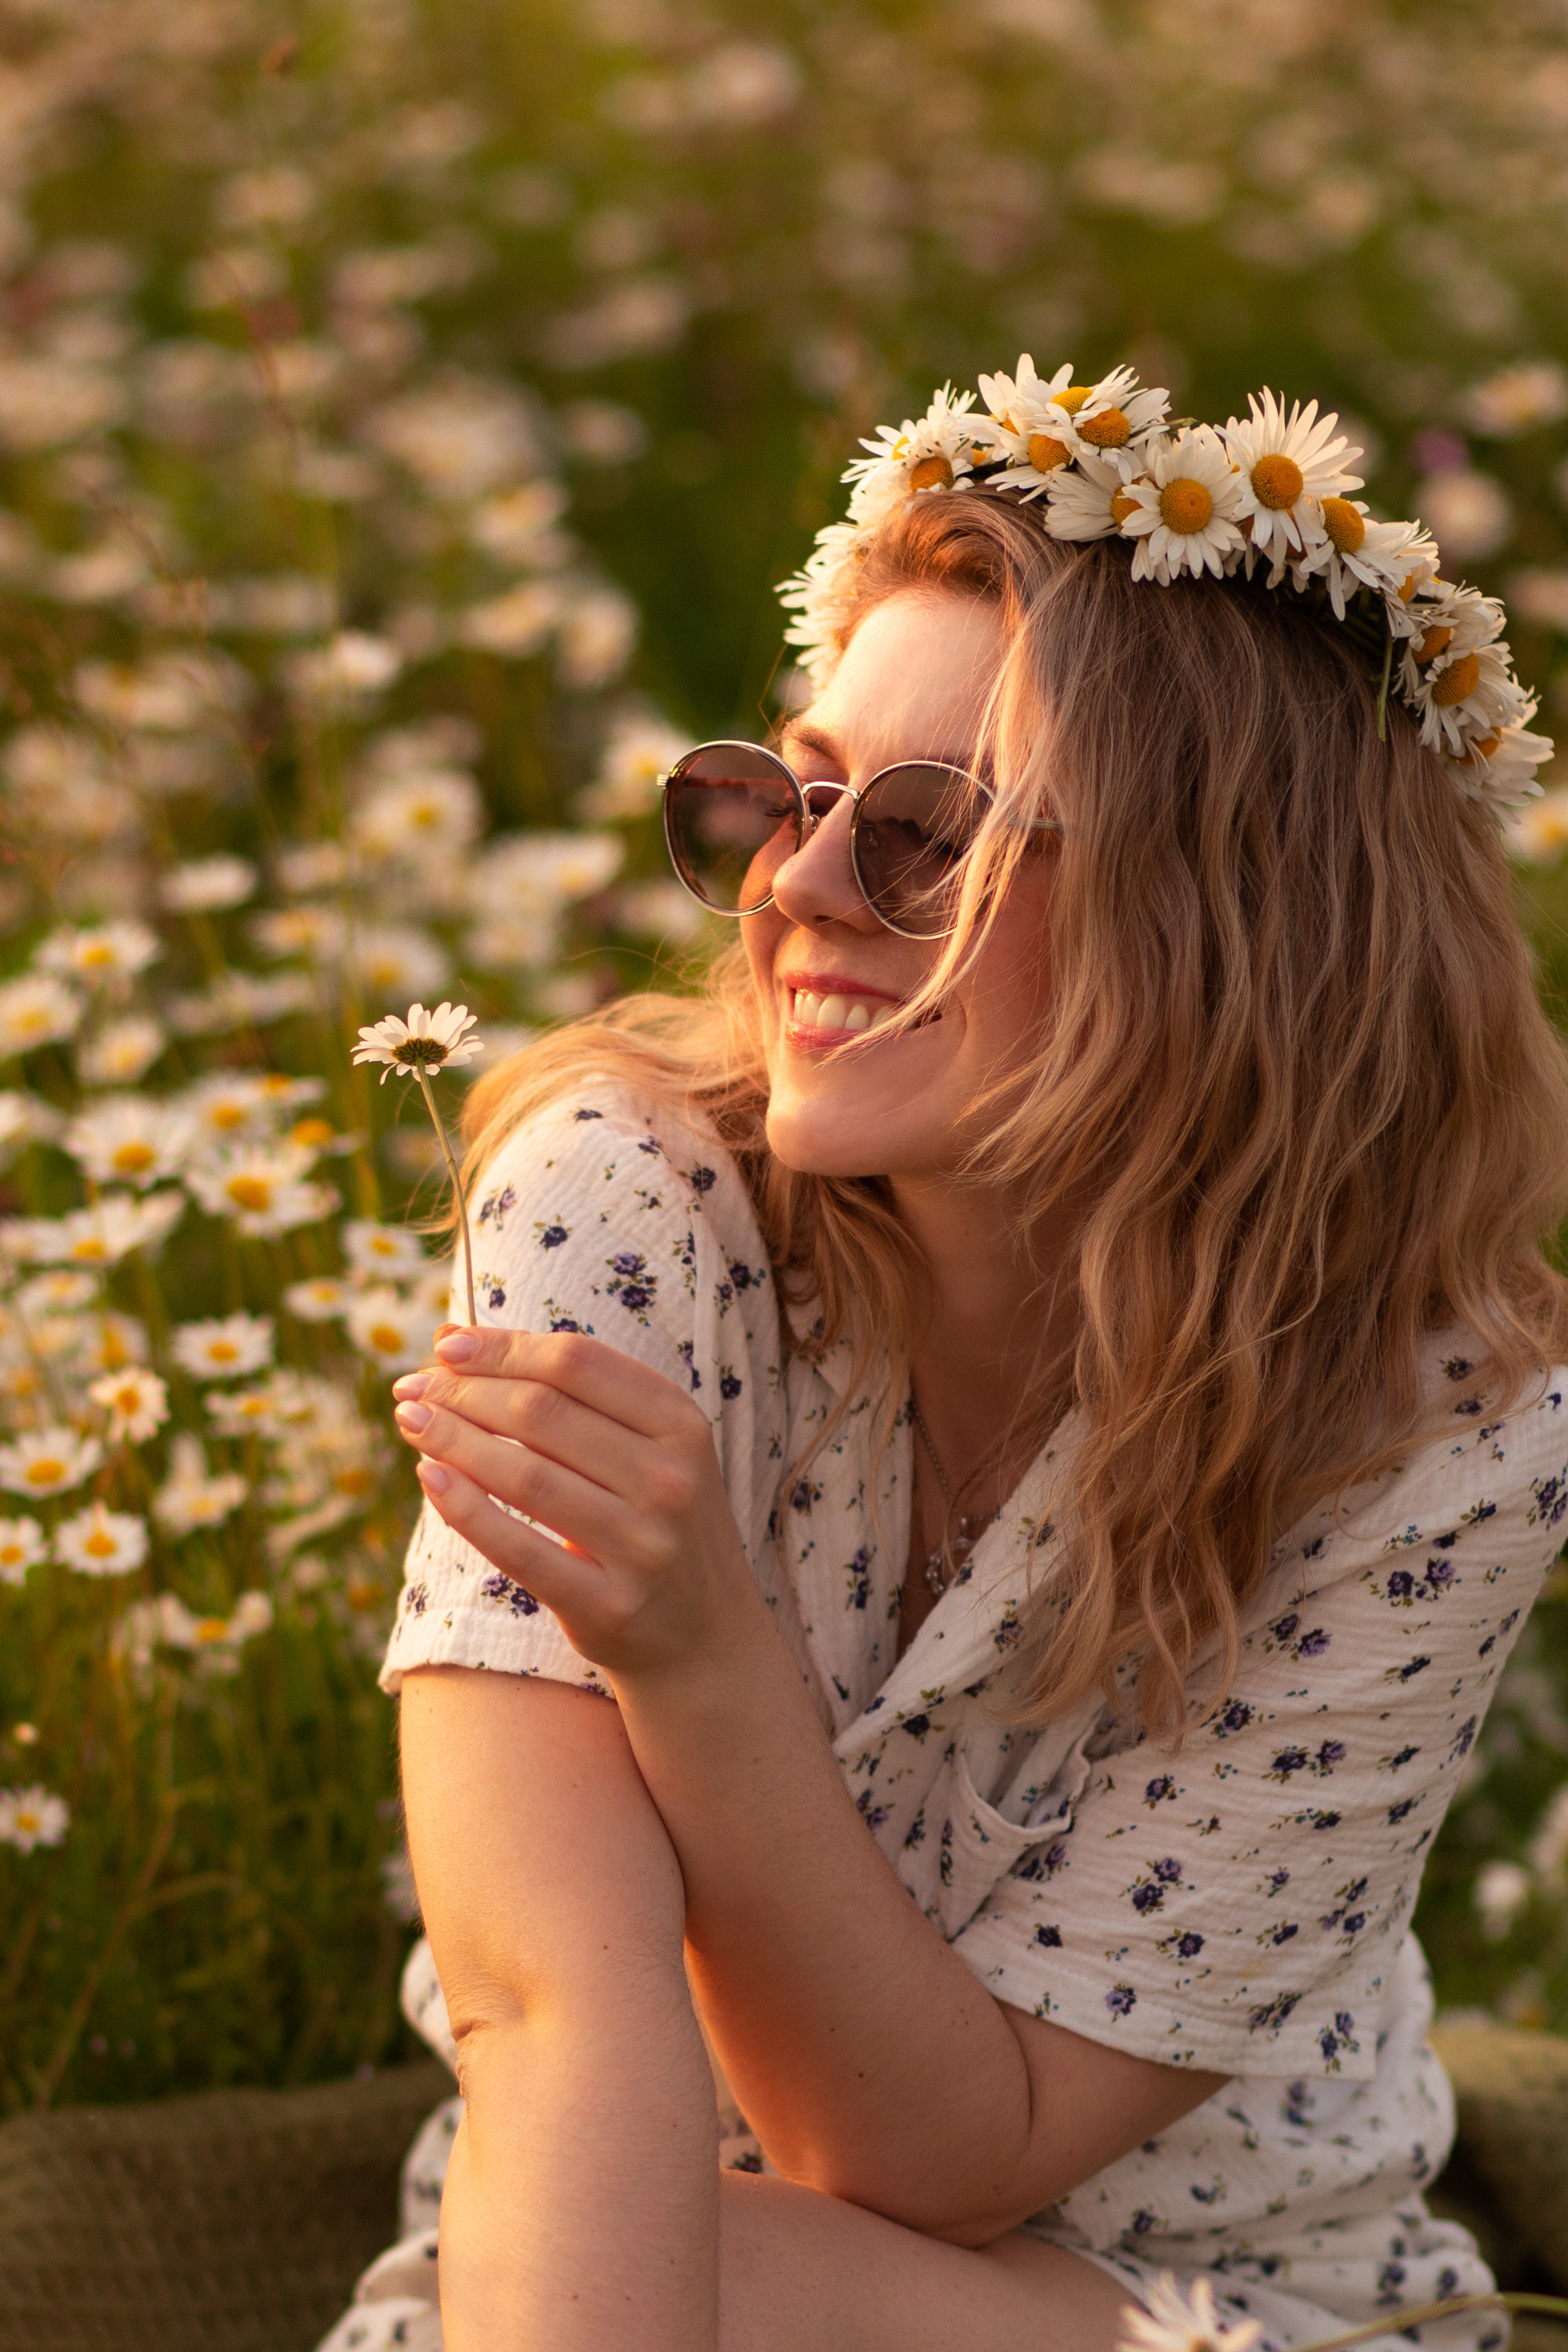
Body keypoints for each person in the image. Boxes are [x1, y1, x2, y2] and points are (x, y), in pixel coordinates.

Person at [319, 365, 1568, 2352]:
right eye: (784, 795)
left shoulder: (1446, 1433)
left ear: (1226, 921)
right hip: (648, 2237)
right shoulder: (620, 1210)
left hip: (1198, 2303)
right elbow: (551, 2018)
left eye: (921, 836)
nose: (796, 887)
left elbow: (945, 2153)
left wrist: (701, 1657)